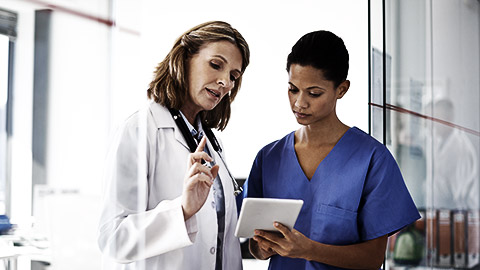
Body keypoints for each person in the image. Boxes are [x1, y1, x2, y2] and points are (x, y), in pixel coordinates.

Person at [237, 30, 420, 269]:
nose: (299, 103)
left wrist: (308, 250)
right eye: (293, 89)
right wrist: (262, 247)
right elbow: (255, 247)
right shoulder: (269, 158)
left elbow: (373, 259)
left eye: (314, 93)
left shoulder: (372, 159)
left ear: (341, 89)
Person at [98, 21, 250, 270]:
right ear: (185, 58)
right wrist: (182, 210)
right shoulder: (140, 130)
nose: (225, 82)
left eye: (234, 76)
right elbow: (113, 238)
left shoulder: (211, 142)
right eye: (216, 65)